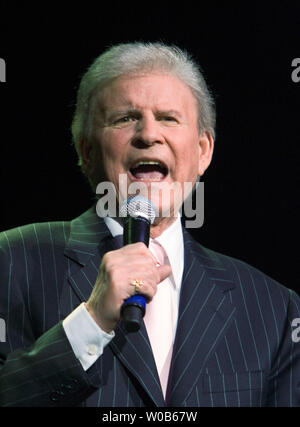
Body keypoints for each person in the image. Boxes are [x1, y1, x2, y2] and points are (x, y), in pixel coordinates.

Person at [0, 42, 299, 407]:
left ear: (203, 151)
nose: (148, 134)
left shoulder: (275, 308)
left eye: (169, 118)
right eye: (125, 118)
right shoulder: (12, 260)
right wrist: (91, 321)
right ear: (86, 151)